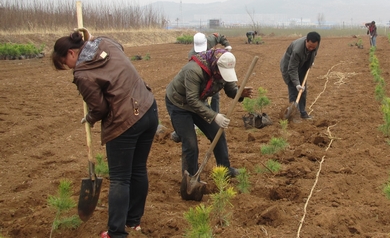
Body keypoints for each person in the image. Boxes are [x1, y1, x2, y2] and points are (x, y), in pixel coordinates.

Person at [51, 29, 158, 238]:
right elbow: (119, 48)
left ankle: (116, 233)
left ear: (72, 53)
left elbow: (99, 108)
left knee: (120, 179)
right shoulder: (105, 42)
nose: (68, 67)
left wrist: (89, 118)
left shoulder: (82, 73)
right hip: (148, 108)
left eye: (65, 63)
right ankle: (133, 222)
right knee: (138, 169)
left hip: (125, 121)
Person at [165, 48, 252, 196]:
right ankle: (191, 178)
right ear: (215, 65)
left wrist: (239, 93)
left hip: (198, 102)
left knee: (217, 132)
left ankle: (225, 169)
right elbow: (191, 99)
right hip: (179, 104)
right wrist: (214, 115)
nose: (223, 77)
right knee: (190, 143)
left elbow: (231, 90)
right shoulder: (194, 70)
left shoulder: (223, 72)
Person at [280, 31, 321, 120]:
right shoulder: (297, 50)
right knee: (294, 89)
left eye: (313, 47)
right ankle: (293, 115)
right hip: (289, 67)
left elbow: (313, 52)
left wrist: (310, 61)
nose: (311, 48)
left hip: (302, 65)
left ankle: (302, 112)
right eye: (309, 46)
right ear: (306, 40)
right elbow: (292, 68)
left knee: (303, 90)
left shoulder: (316, 45)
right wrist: (297, 84)